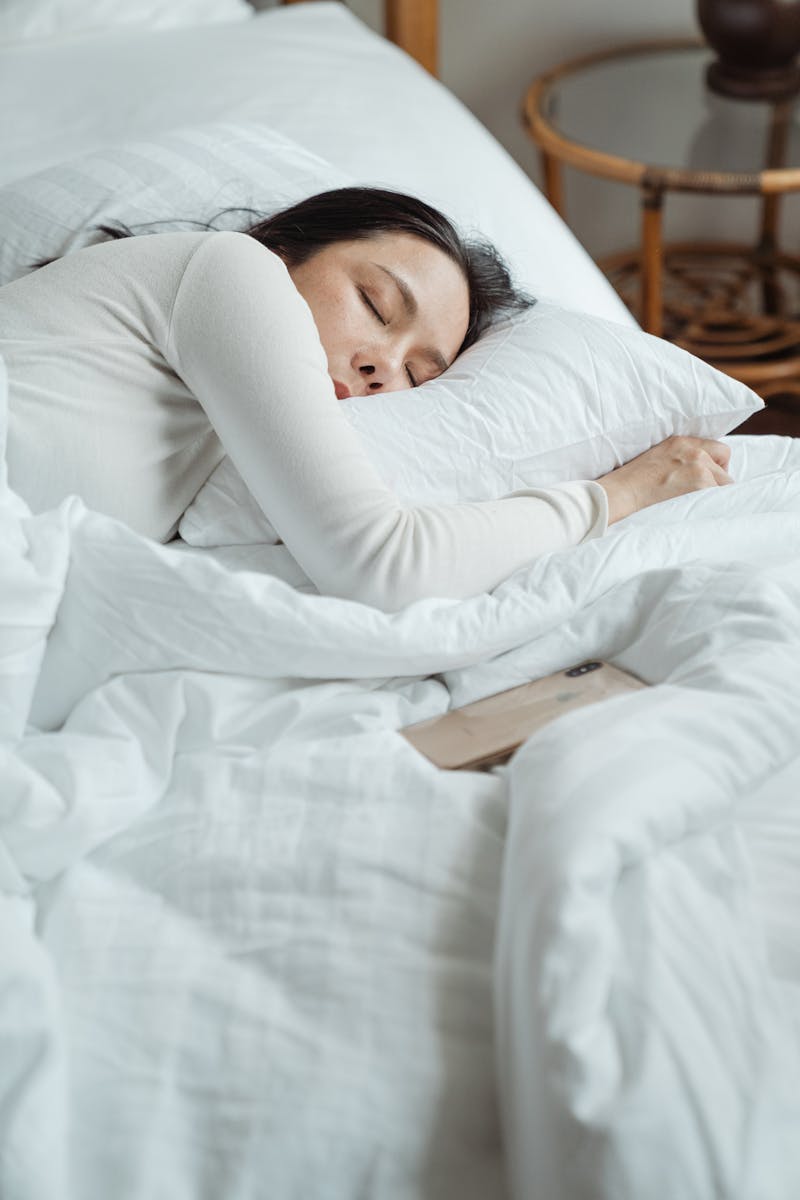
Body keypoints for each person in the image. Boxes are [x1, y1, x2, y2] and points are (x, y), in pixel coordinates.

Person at [0, 186, 732, 611]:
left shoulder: (212, 419)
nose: (381, 368)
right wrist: (618, 495)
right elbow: (385, 565)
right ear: (286, 246)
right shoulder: (230, 270)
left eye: (419, 375)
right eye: (376, 306)